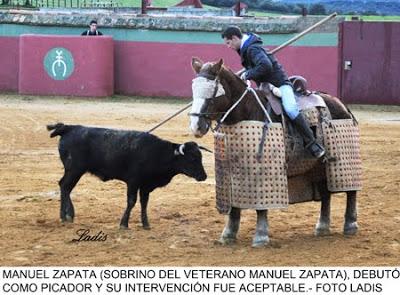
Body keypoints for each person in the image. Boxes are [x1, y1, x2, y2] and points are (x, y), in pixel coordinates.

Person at [221, 26, 325, 158]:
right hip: (266, 87)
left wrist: (248, 74)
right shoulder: (247, 48)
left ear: (235, 38)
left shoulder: (252, 49)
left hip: (280, 84)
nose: (228, 46)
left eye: (228, 43)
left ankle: (313, 144)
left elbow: (266, 66)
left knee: (291, 109)